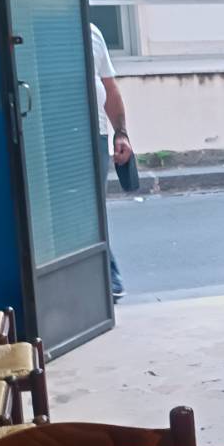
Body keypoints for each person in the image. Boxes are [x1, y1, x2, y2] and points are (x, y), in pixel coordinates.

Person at [91, 21, 131, 302]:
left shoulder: (92, 32)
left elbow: (109, 88)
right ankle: (107, 276)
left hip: (94, 135)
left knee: (94, 208)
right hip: (56, 138)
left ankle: (108, 276)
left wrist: (121, 133)